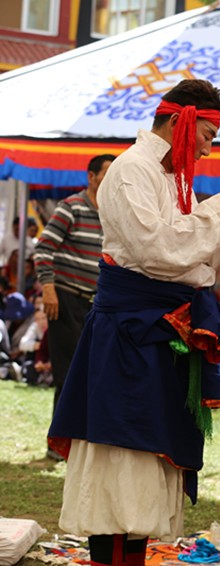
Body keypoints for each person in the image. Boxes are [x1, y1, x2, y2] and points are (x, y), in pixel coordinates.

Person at [48, 79, 220, 566]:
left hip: (163, 334)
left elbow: (197, 262)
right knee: (120, 454)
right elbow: (158, 250)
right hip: (127, 333)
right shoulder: (130, 171)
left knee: (151, 454)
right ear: (181, 122)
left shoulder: (175, 182)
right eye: (207, 134)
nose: (208, 148)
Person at [34, 154, 115, 430]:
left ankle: (82, 440)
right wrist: (48, 288)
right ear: (91, 177)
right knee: (68, 373)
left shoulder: (113, 214)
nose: (111, 180)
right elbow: (43, 248)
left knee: (95, 373)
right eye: (106, 174)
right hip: (66, 299)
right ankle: (59, 441)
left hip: (98, 305)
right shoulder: (71, 207)